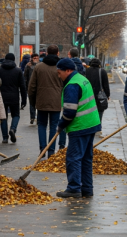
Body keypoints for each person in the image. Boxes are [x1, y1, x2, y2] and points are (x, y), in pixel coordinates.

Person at [54, 58, 101, 198]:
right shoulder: (82, 78)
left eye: (59, 72)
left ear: (68, 71)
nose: (58, 75)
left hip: (80, 126)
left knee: (73, 158)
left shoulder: (72, 85)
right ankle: (87, 189)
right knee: (86, 158)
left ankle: (74, 188)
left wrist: (60, 125)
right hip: (91, 124)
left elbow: (69, 112)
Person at [28, 45, 64, 157]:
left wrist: (33, 102)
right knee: (54, 126)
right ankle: (51, 151)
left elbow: (31, 87)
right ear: (58, 53)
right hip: (56, 101)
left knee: (42, 125)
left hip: (41, 101)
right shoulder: (61, 68)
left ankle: (42, 149)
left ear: (46, 53)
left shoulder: (39, 67)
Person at [0, 53, 27, 144]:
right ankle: (13, 129)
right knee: (16, 115)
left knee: (3, 117)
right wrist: (24, 99)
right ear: (14, 60)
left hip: (1, 97)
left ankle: (5, 138)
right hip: (14, 96)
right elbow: (22, 86)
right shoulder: (17, 71)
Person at [86, 58, 111, 135]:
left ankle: (90, 127)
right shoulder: (102, 71)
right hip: (99, 95)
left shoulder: (87, 71)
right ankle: (98, 128)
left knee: (90, 111)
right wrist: (107, 94)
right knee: (100, 110)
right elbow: (105, 84)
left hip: (88, 94)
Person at [24, 53, 39, 124]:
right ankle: (32, 117)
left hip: (39, 87)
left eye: (37, 58)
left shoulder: (40, 65)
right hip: (30, 86)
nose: (36, 59)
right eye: (34, 58)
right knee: (32, 103)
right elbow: (25, 76)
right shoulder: (28, 66)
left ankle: (38, 117)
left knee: (38, 103)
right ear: (32, 58)